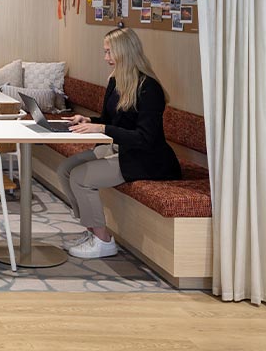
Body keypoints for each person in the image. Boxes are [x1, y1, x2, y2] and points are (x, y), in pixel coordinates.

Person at [57, 27, 181, 259]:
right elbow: (108, 121)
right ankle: (91, 230)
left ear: (125, 52)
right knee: (65, 169)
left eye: (109, 53)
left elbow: (144, 137)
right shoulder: (116, 82)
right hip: (117, 148)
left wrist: (102, 128)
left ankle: (103, 241)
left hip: (145, 158)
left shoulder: (148, 88)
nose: (105, 59)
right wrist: (89, 120)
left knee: (80, 177)